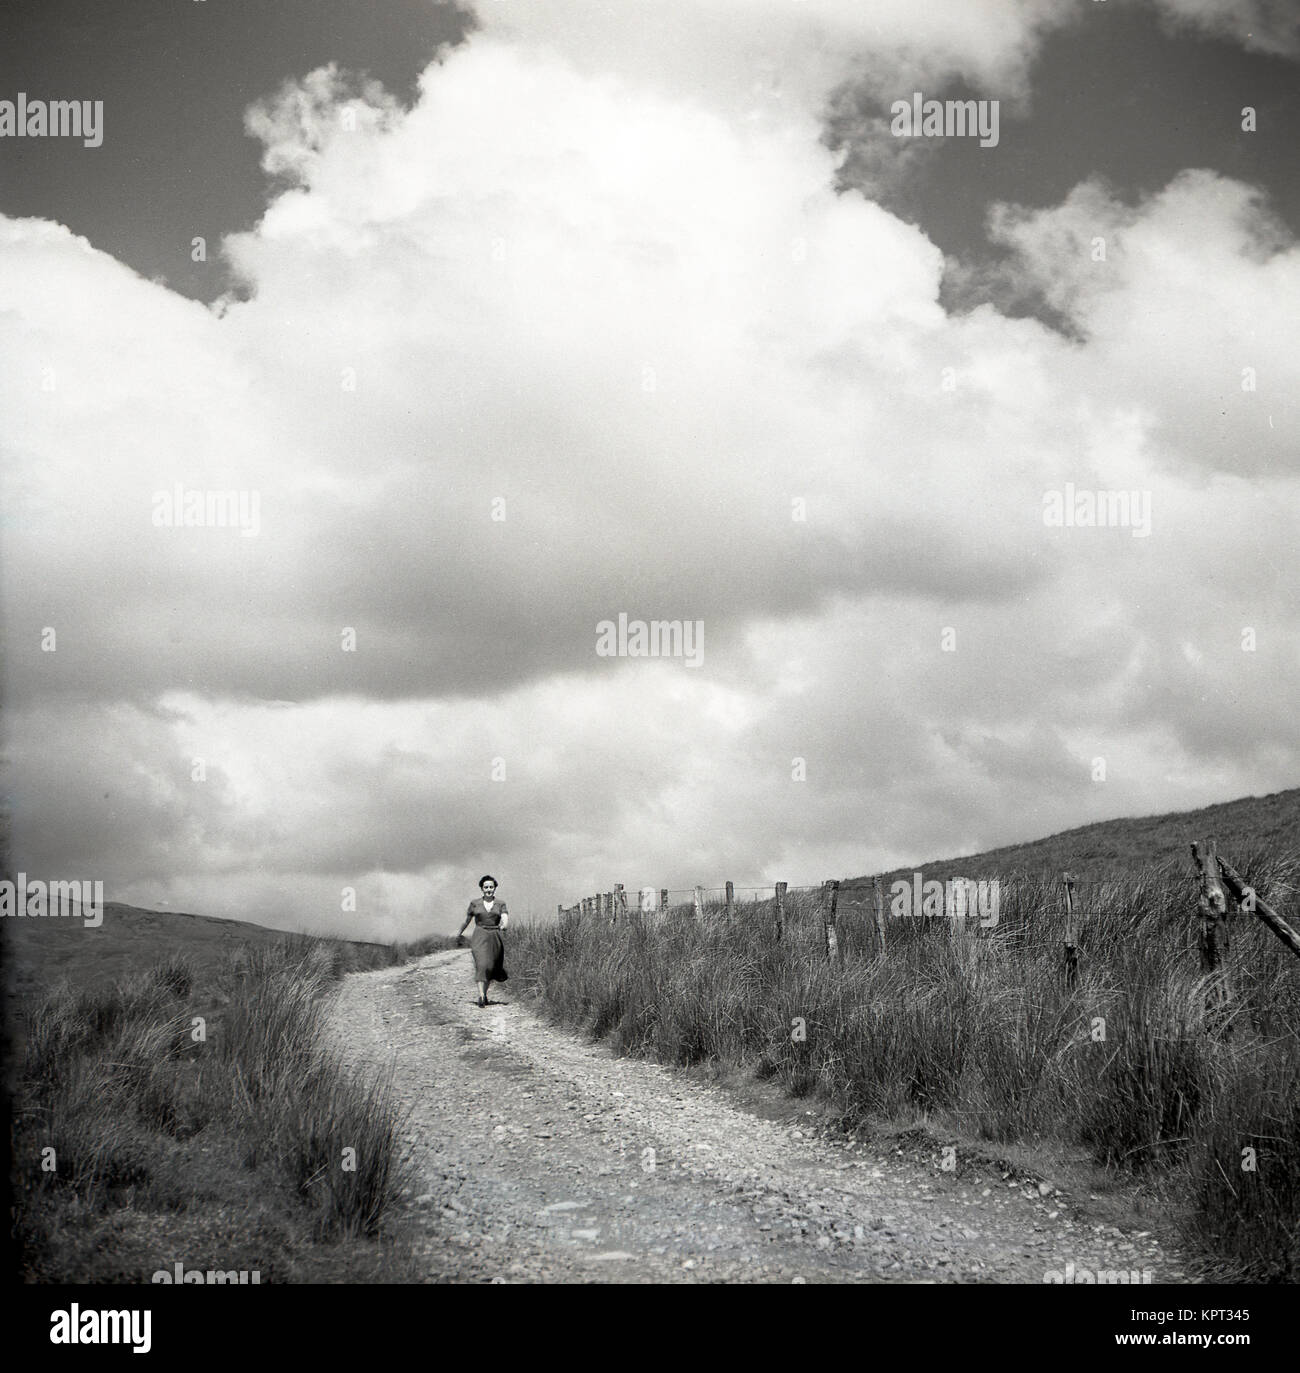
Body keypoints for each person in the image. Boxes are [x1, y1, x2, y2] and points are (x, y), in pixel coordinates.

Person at [457, 874, 509, 1008]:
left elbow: (505, 917)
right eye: (486, 887)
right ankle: (481, 996)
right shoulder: (475, 903)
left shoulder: (500, 903)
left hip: (494, 936)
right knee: (482, 964)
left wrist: (504, 925)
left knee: (490, 967)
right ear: (482, 889)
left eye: (491, 887)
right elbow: (467, 920)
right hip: (479, 935)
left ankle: (485, 995)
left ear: (495, 888)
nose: (488, 889)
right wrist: (459, 933)